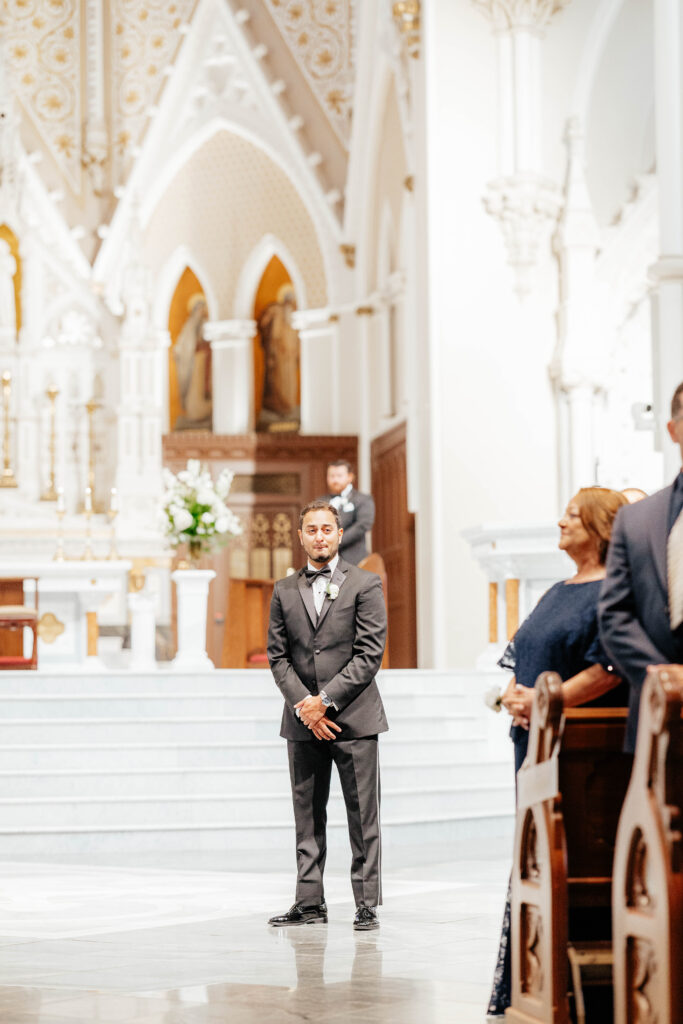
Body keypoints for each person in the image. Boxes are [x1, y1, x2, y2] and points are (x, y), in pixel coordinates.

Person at [487, 486, 627, 1018]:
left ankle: (571, 989)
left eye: (573, 516)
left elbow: (608, 668)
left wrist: (550, 699)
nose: (561, 522)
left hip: (577, 748)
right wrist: (513, 695)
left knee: (563, 857)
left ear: (600, 529)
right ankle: (525, 986)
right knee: (531, 855)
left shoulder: (614, 590)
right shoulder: (556, 590)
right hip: (532, 742)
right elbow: (523, 654)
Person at [267, 499, 388, 931]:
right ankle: (309, 902)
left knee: (363, 815)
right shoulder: (283, 590)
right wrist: (307, 706)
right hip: (303, 722)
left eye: (326, 529)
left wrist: (327, 700)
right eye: (311, 529)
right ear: (301, 536)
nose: (319, 536)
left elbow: (369, 653)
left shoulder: (365, 584)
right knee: (306, 816)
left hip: (354, 718)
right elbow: (278, 657)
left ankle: (366, 903)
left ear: (339, 534)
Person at [599, 381, 683, 754]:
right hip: (655, 714)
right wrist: (663, 680)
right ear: (673, 429)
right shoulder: (636, 519)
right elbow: (615, 615)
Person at [320, 460, 375, 566]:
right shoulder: (320, 502)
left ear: (350, 477)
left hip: (354, 560)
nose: (335, 480)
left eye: (339, 476)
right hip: (325, 562)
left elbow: (363, 525)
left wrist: (336, 541)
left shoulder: (362, 499)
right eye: (331, 476)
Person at [172, 295, 211, 429]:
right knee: (194, 388)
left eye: (203, 307)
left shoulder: (208, 323)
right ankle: (194, 412)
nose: (201, 310)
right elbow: (183, 344)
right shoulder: (190, 326)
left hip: (205, 361)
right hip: (194, 364)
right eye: (198, 308)